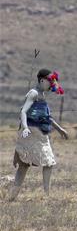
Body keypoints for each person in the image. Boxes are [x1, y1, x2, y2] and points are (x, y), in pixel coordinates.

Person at [9, 69, 69, 201]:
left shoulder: (42, 95)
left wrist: (60, 129)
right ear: (42, 80)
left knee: (48, 162)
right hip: (30, 132)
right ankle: (12, 196)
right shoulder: (34, 93)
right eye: (49, 81)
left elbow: (47, 117)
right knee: (24, 165)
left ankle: (46, 195)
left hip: (42, 134)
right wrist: (25, 127)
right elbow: (23, 112)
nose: (51, 84)